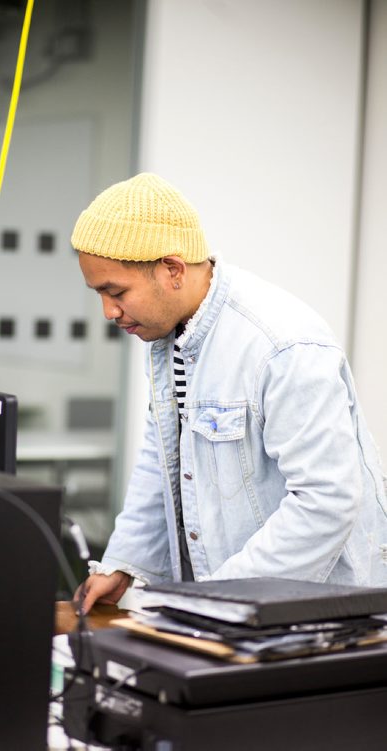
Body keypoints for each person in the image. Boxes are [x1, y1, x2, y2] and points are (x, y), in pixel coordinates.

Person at [71, 172, 387, 614]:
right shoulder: (171, 335)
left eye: (116, 291)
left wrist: (213, 601)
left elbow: (326, 501)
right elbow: (161, 460)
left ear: (173, 270)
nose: (108, 311)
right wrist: (126, 561)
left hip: (321, 617)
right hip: (231, 612)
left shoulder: (281, 344)